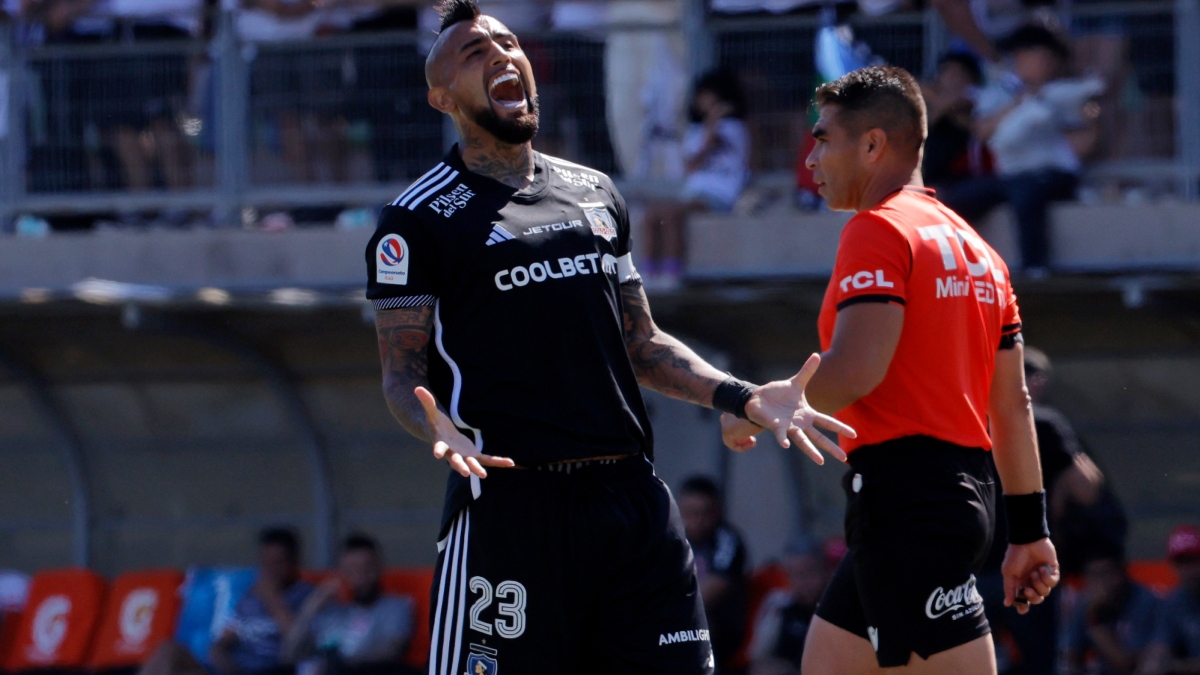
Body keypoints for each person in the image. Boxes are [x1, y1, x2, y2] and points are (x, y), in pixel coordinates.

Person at [364, 1, 853, 672]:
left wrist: (742, 396)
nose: (502, 55)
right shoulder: (416, 220)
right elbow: (401, 374)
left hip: (630, 502)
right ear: (441, 97)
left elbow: (641, 343)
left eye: (508, 43)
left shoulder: (594, 191)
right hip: (513, 509)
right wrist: (436, 428)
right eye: (476, 52)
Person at [723, 65, 1060, 674]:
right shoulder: (979, 250)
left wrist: (754, 406)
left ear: (873, 144)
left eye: (823, 139)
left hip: (909, 506)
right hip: (948, 497)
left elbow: (857, 369)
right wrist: (1029, 530)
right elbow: (1012, 406)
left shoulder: (878, 228)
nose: (810, 159)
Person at [977, 345, 1124, 674]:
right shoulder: (1044, 421)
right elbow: (1087, 489)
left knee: (974, 661)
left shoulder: (972, 418)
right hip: (1026, 566)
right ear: (1035, 380)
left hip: (974, 566)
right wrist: (1056, 484)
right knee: (1039, 662)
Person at [939, 24, 1103, 275]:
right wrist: (1022, 103)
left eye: (1047, 57)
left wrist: (1079, 117)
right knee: (953, 200)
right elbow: (982, 131)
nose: (1043, 63)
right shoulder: (1000, 93)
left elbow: (1084, 142)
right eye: (1033, 55)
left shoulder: (1066, 93)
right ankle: (951, 270)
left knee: (1027, 193)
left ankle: (1034, 270)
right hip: (1009, 174)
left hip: (1052, 173)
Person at [640, 69, 749, 291]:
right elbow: (691, 166)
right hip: (693, 193)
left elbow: (734, 158)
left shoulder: (737, 128)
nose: (702, 100)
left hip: (719, 196)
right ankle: (647, 273)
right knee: (651, 213)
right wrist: (709, 124)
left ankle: (671, 273)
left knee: (672, 214)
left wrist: (714, 121)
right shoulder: (695, 131)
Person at [282, 534, 415, 675]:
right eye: (353, 569)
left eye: (367, 568)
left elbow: (391, 651)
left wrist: (340, 664)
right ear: (341, 572)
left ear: (379, 568)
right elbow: (289, 655)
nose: (361, 576)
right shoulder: (330, 611)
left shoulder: (395, 607)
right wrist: (310, 608)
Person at [210, 528, 315, 675]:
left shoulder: (307, 596)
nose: (271, 570)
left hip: (275, 668)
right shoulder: (251, 596)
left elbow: (300, 643)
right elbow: (230, 634)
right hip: (240, 668)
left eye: (277, 563)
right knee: (176, 655)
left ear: (294, 561)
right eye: (266, 563)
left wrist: (272, 599)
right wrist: (219, 651)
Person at [678, 476, 750, 672]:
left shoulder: (727, 540)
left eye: (705, 513)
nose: (698, 521)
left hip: (723, 634)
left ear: (717, 512)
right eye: (690, 513)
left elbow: (706, 595)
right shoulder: (672, 539)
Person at [1063, 550, 1160, 675]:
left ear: (1122, 572)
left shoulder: (1145, 602)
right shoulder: (1086, 602)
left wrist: (1095, 621)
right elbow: (1067, 655)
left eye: (1106, 573)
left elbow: (1130, 665)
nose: (1101, 582)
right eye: (1093, 575)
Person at [746, 540, 830, 675]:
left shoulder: (838, 611)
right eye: (796, 574)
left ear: (826, 572)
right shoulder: (779, 607)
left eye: (809, 572)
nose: (804, 582)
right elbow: (757, 659)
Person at [921, 52, 992, 192]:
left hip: (967, 174)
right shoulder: (933, 100)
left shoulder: (978, 94)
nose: (949, 78)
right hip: (934, 174)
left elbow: (952, 104)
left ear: (970, 78)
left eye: (956, 73)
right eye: (945, 72)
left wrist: (934, 98)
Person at [1138, 525, 1200, 675]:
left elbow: (1170, 665)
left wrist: (1175, 666)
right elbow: (1159, 648)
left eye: (1195, 561)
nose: (1189, 569)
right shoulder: (1175, 601)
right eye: (1181, 563)